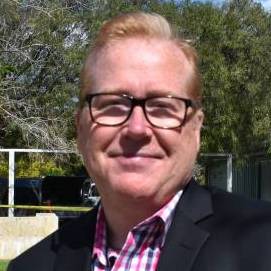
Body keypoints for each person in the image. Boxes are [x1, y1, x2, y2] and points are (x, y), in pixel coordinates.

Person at [8, 11, 271, 271]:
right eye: (113, 105)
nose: (137, 129)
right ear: (81, 128)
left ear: (196, 129)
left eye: (162, 107)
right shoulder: (31, 265)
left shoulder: (263, 242)